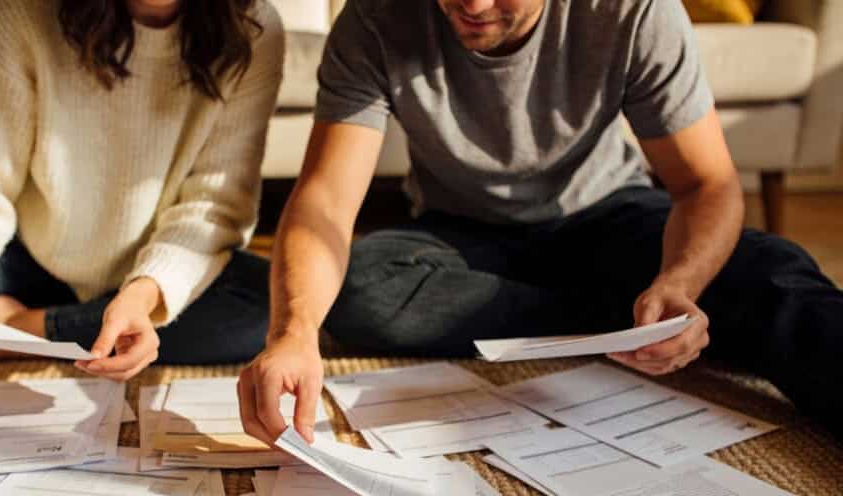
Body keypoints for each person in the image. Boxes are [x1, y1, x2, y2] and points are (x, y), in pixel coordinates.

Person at [237, 0, 843, 443]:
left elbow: (706, 184)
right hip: (461, 231)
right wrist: (292, 331)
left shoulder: (633, 12)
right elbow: (325, 203)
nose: (471, 6)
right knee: (365, 287)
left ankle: (638, 313)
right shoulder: (374, 18)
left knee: (770, 270)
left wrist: (680, 282)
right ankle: (619, 322)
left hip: (606, 216)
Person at [0, 0, 284, 395]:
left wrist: (142, 298)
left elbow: (213, 209)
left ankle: (15, 331)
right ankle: (29, 323)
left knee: (272, 311)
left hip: (147, 270)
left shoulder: (253, 27)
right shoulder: (18, 10)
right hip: (12, 250)